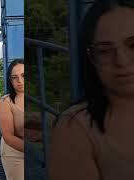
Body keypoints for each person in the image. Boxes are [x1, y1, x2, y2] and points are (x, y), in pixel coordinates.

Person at [49, 1, 134, 180]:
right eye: (104, 51)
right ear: (90, 59)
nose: (122, 61)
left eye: (133, 45)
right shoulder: (75, 128)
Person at [0, 59, 24, 180]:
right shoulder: (5, 101)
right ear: (10, 80)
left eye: (24, 75)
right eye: (14, 77)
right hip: (15, 152)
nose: (20, 81)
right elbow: (8, 137)